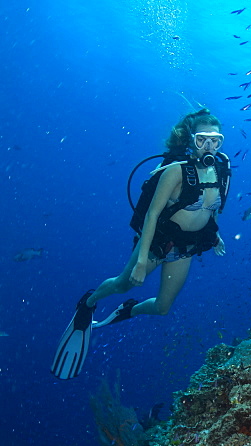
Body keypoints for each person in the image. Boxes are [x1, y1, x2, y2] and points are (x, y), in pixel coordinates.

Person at [52, 109, 231, 379]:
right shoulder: (176, 172)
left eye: (216, 140)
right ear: (190, 140)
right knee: (123, 283)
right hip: (160, 243)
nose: (210, 147)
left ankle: (129, 310)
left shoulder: (222, 169)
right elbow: (152, 214)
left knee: (162, 308)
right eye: (202, 140)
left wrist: (214, 234)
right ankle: (88, 303)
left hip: (188, 247)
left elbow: (211, 209)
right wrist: (140, 260)